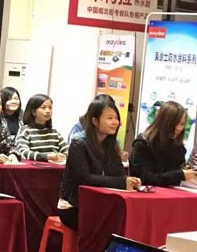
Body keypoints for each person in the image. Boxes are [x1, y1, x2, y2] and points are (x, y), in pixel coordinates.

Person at [59, 97, 141, 230]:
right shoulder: (78, 143)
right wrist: (122, 182)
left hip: (100, 203)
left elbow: (118, 173)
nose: (115, 122)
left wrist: (130, 181)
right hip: (74, 206)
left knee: (129, 220)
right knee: (112, 224)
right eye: (110, 118)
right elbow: (85, 178)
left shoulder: (111, 144)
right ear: (95, 121)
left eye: (116, 118)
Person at [129, 101, 197, 187]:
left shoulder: (178, 146)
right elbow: (144, 178)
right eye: (175, 124)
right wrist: (180, 175)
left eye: (182, 124)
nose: (178, 128)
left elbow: (180, 169)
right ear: (163, 122)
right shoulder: (142, 144)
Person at [15, 94, 68, 162]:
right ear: (33, 112)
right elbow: (23, 152)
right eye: (43, 107)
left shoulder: (54, 131)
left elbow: (67, 150)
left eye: (50, 107)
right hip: (33, 167)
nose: (48, 111)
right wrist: (47, 156)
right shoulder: (25, 130)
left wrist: (62, 156)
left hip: (54, 166)